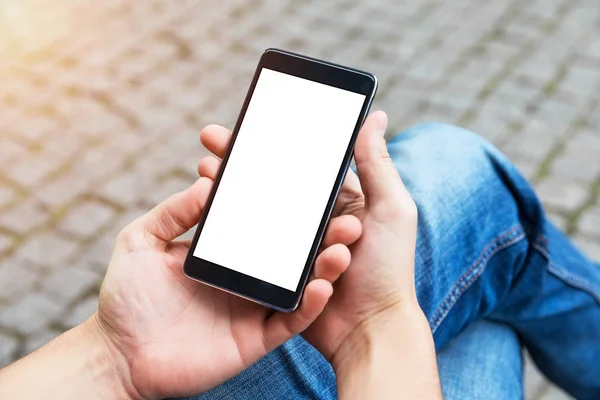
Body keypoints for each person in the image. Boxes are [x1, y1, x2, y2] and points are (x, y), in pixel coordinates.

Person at [0, 111, 598, 399]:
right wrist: (377, 325)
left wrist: (113, 354)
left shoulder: (134, 344)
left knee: (477, 329)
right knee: (462, 170)